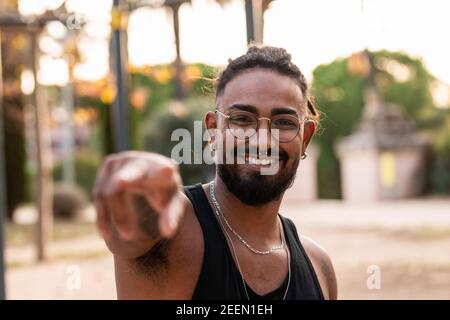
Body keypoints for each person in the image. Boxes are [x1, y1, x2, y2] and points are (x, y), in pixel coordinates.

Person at [93, 45, 338, 300]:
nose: (263, 141)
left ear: (305, 139)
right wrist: (136, 195)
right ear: (213, 130)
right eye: (242, 119)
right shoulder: (175, 232)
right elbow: (134, 234)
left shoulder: (319, 267)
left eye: (284, 123)